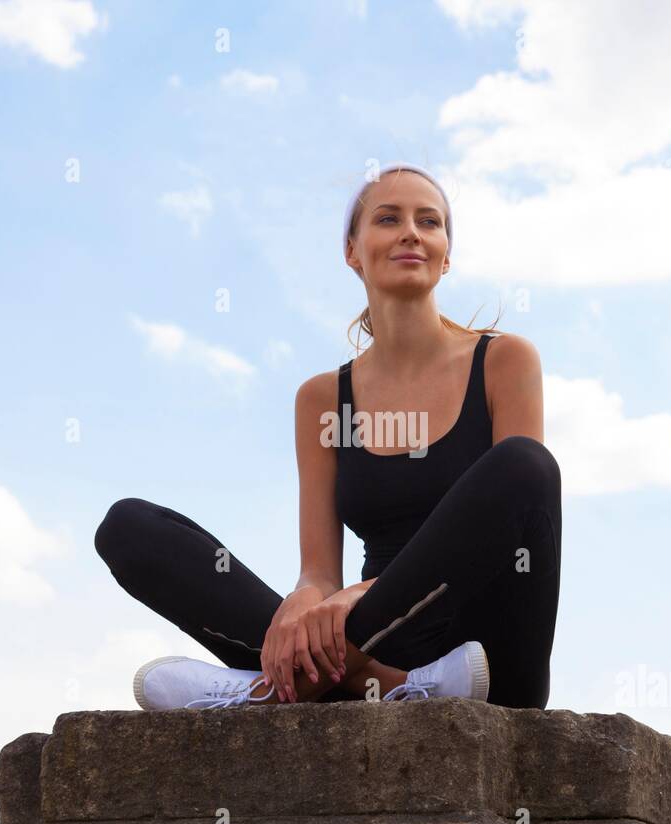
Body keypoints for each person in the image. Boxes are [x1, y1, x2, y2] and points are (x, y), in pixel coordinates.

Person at [94, 162, 562, 711]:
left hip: (487, 660)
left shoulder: (503, 361)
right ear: (352, 251)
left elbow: (517, 528)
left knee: (526, 465)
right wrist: (306, 600)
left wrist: (363, 600)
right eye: (389, 219)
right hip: (367, 642)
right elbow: (318, 571)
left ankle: (277, 689)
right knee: (127, 528)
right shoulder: (322, 398)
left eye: (429, 222)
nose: (412, 231)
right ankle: (370, 683)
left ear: (446, 255)